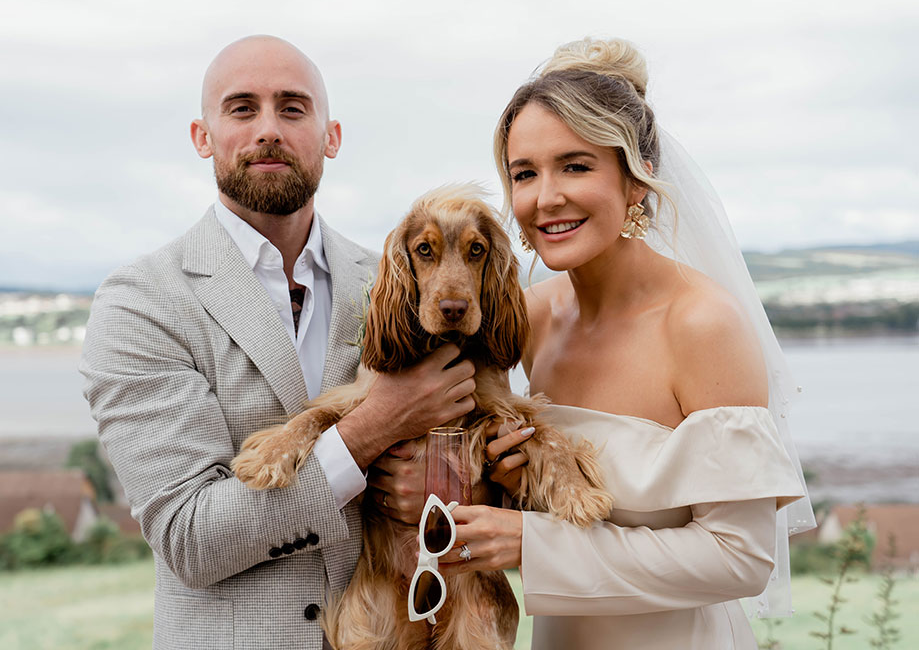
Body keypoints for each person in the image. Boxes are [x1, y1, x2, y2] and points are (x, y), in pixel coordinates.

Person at [79, 35, 476, 650]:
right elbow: (192, 537)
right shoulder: (140, 302)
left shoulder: (401, 285)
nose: (269, 128)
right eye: (242, 109)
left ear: (331, 136)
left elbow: (465, 452)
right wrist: (372, 429)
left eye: (293, 108)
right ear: (202, 137)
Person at [431, 38, 816, 649]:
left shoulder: (701, 323)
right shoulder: (529, 319)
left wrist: (532, 542)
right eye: (524, 174)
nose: (546, 197)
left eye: (575, 166)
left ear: (637, 179)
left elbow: (740, 558)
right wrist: (507, 473)